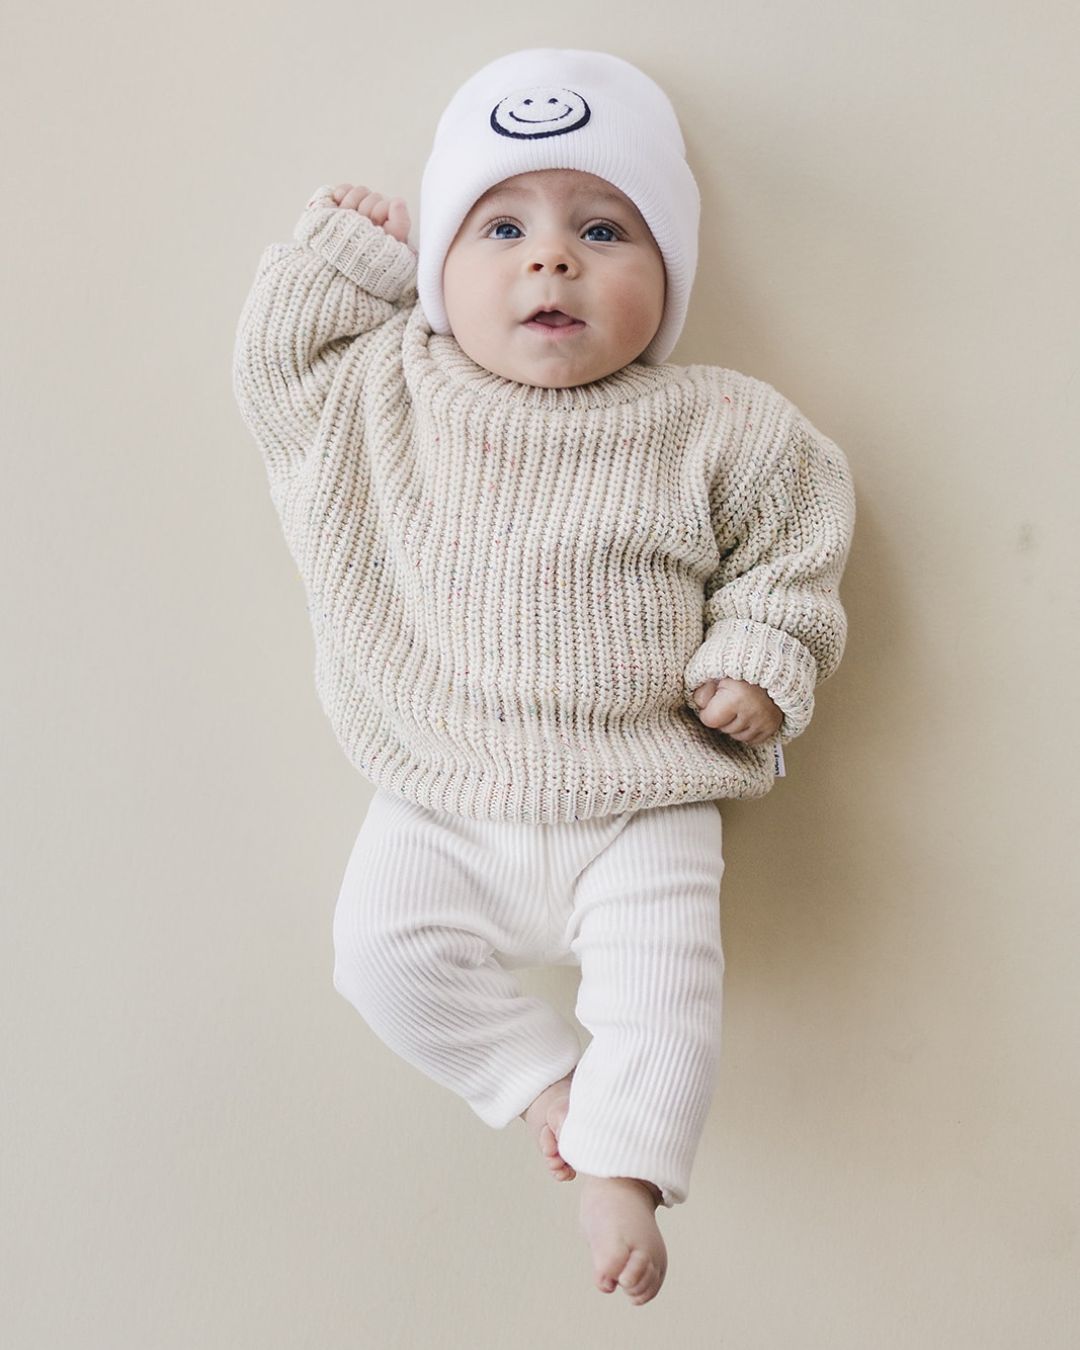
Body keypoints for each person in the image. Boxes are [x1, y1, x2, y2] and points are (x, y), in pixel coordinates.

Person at [232, 46, 856, 1306]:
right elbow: (274, 379)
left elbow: (798, 536)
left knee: (666, 998)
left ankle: (624, 1170)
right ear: (439, 275)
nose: (551, 258)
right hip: (442, 790)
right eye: (501, 223)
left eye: (604, 228)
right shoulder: (392, 394)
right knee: (377, 955)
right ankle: (538, 1083)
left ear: (668, 273)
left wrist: (761, 658)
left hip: (640, 797)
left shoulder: (714, 423)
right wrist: (335, 261)